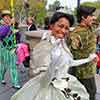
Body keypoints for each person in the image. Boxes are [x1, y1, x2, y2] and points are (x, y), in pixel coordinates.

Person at [11, 8, 97, 100]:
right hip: (48, 92)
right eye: (60, 26)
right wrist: (53, 63)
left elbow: (69, 62)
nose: (63, 31)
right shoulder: (43, 47)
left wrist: (88, 59)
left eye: (67, 28)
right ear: (51, 26)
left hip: (64, 84)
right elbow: (43, 82)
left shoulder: (62, 44)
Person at [68, 6, 98, 100]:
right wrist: (90, 57)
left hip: (89, 70)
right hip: (82, 73)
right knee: (88, 94)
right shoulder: (76, 34)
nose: (94, 18)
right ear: (83, 17)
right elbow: (72, 54)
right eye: (91, 15)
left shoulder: (90, 27)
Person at [0, 10, 20, 89]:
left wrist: (17, 33)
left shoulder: (12, 27)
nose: (8, 18)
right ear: (3, 18)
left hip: (12, 49)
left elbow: (17, 37)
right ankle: (1, 77)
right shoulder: (1, 27)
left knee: (13, 67)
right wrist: (9, 26)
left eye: (9, 17)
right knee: (3, 67)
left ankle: (15, 83)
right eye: (6, 17)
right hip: (3, 50)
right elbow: (2, 35)